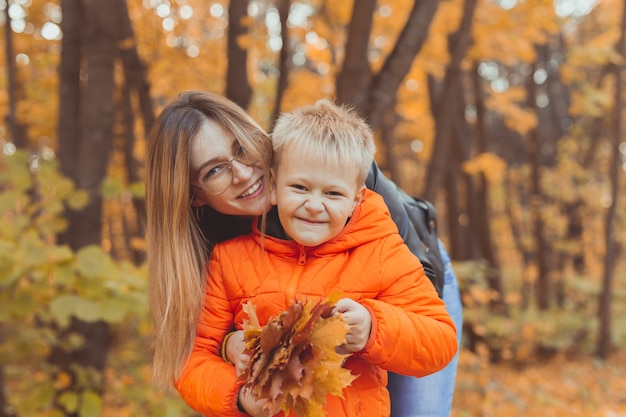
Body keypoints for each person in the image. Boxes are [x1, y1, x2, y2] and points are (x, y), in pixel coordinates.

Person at [145, 91, 463, 416]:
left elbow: (429, 331)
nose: (242, 173)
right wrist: (232, 357)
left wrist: (372, 327)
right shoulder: (221, 251)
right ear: (192, 196)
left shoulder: (327, 165)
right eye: (213, 171)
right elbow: (200, 351)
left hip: (422, 263)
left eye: (241, 148)